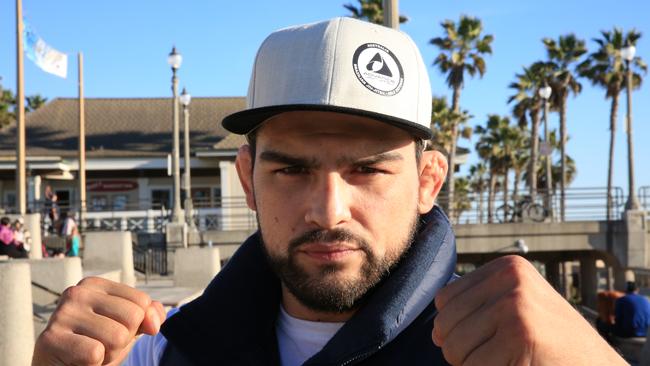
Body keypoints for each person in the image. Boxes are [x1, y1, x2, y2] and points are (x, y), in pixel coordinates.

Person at [33, 18, 625, 366]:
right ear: (249, 181)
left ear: (427, 182)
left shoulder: (509, 353)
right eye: (290, 171)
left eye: (366, 170)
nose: (327, 210)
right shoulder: (154, 352)